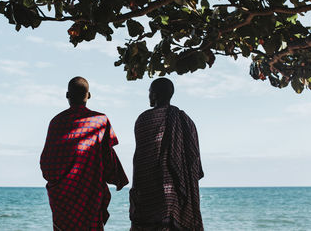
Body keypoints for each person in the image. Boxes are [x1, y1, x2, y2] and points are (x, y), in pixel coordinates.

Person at [40, 76, 129, 231]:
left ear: (67, 95)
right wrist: (116, 177)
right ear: (89, 95)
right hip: (90, 194)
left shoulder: (56, 122)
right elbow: (108, 157)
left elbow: (46, 164)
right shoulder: (100, 121)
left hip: (62, 197)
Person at [129, 78, 204, 231]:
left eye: (150, 92)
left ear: (155, 95)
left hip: (149, 190)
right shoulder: (186, 121)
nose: (149, 96)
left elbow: (141, 160)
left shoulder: (145, 119)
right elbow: (193, 158)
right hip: (176, 189)